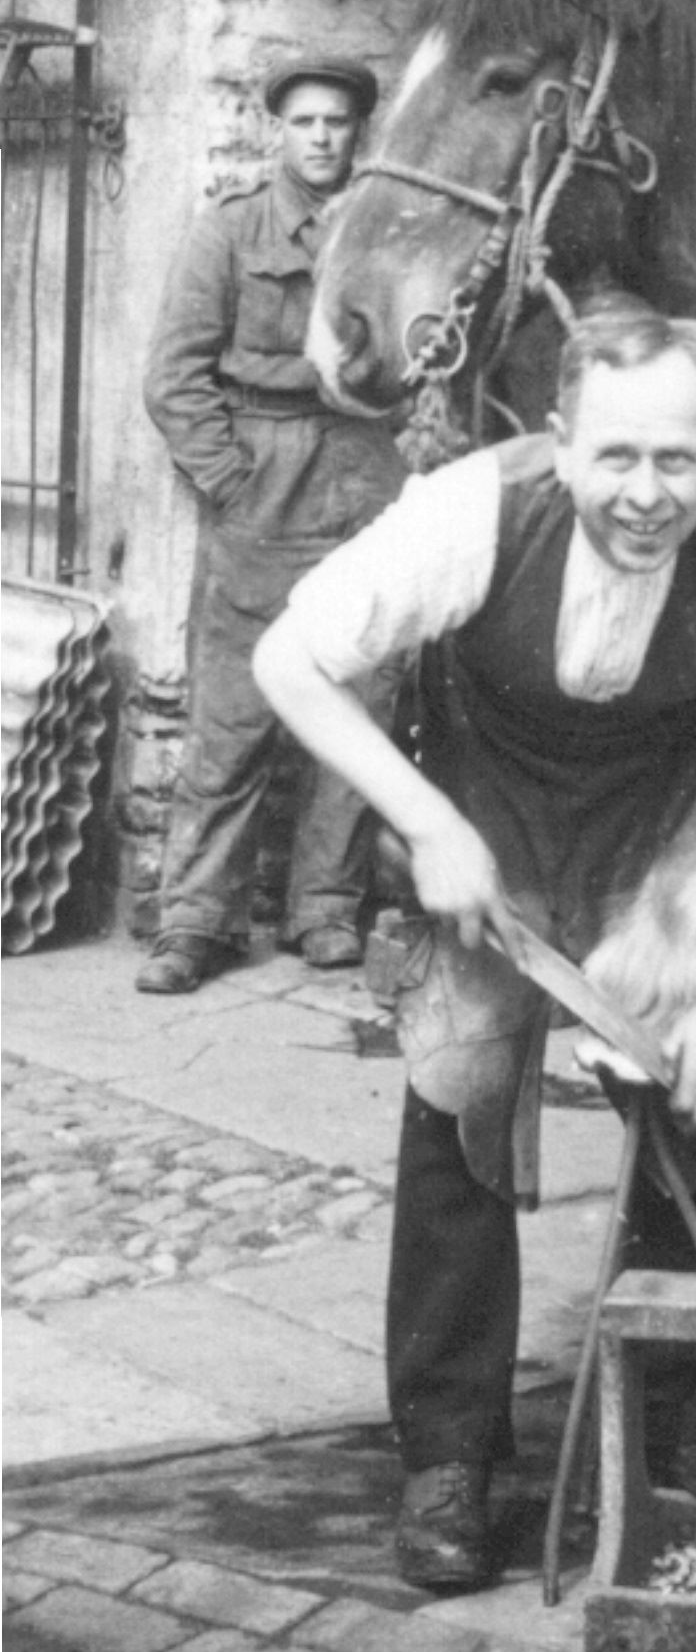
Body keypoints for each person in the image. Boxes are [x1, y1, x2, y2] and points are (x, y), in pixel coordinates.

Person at [253, 298, 696, 1591]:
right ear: (559, 436)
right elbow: (288, 658)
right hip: (492, 825)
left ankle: (679, 1443)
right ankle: (448, 1455)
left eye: (677, 461)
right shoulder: (472, 513)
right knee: (462, 1092)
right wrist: (424, 824)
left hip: (672, 830)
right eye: (615, 458)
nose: (646, 494)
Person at [139, 57, 406, 992]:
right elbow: (174, 376)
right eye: (306, 123)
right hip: (267, 479)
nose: (324, 138)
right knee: (234, 715)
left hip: (368, 475)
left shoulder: (388, 231)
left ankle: (326, 912)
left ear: (358, 132)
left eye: (338, 122)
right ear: (278, 133)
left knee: (360, 697)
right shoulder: (231, 231)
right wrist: (233, 482)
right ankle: (196, 922)